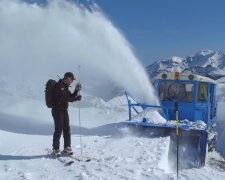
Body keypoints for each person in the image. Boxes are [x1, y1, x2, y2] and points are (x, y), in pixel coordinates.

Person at [52, 72, 82, 157]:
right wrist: (75, 99)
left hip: (64, 110)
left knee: (66, 128)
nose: (72, 81)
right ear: (68, 78)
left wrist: (76, 90)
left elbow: (70, 96)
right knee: (59, 128)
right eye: (72, 79)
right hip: (57, 110)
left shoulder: (65, 86)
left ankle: (67, 147)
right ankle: (56, 148)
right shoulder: (60, 85)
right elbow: (65, 98)